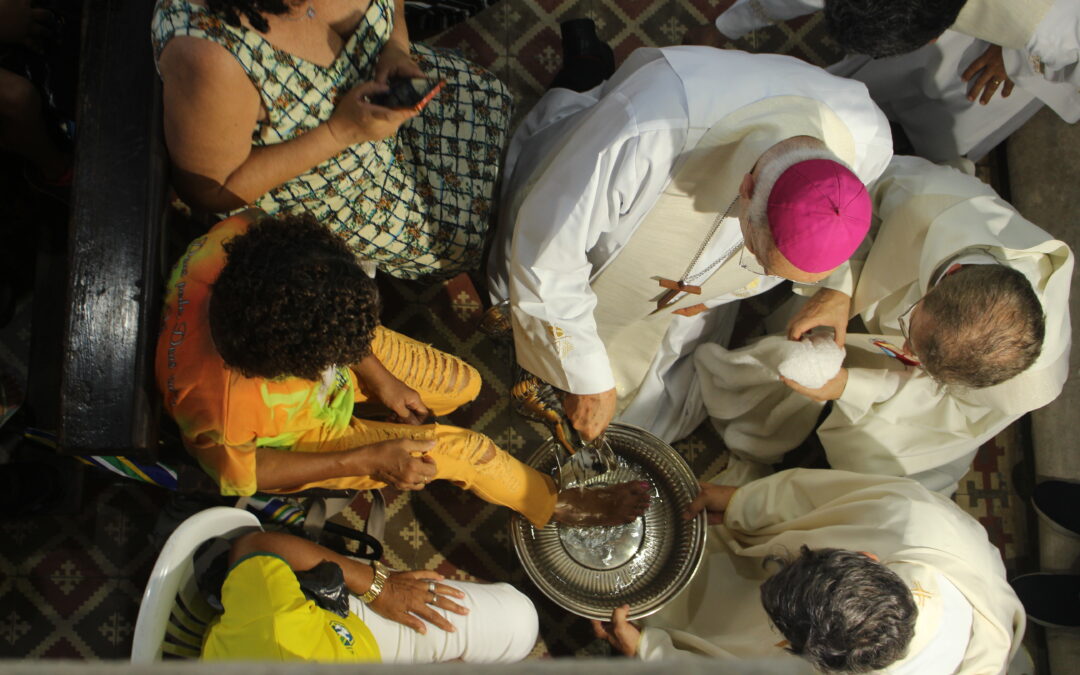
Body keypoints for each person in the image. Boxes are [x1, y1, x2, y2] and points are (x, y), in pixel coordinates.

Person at [487, 45, 892, 444]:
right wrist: (586, 380)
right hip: (591, 181)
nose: (760, 271)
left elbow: (823, 222)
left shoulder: (868, 140)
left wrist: (734, 288)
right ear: (747, 186)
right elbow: (547, 253)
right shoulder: (651, 131)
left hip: (678, 277)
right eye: (758, 256)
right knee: (518, 288)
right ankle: (584, 69)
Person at [154, 210, 650, 528]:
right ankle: (554, 505)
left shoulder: (245, 240)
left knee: (463, 384)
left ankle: (381, 411)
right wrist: (367, 461)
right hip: (304, 435)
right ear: (290, 366)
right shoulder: (221, 409)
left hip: (324, 343)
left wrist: (378, 375)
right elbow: (253, 472)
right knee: (468, 450)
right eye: (334, 355)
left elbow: (332, 326)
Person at [695, 155, 1072, 493]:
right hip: (866, 293)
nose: (904, 351)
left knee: (879, 464)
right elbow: (855, 204)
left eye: (917, 354)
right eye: (909, 330)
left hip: (913, 398)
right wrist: (841, 289)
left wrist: (851, 386)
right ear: (950, 272)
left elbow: (947, 418)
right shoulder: (931, 201)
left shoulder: (1028, 381)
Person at [151, 0, 512, 280]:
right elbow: (209, 190)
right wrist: (342, 132)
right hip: (338, 181)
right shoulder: (207, 51)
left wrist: (396, 47)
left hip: (393, 99)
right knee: (458, 239)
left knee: (491, 101)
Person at [591, 469, 1024, 673]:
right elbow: (822, 498)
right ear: (868, 557)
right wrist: (743, 503)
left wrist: (648, 655)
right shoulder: (911, 519)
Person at [705, 0, 1080, 161]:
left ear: (932, 34)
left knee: (968, 94)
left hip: (1034, 35)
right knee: (893, 76)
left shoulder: (1054, 33)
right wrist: (726, 25)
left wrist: (1011, 52)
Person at [203, 529, 538, 662]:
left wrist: (377, 586)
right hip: (366, 654)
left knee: (520, 620)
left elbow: (256, 546)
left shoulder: (274, 631)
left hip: (335, 623)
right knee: (519, 628)